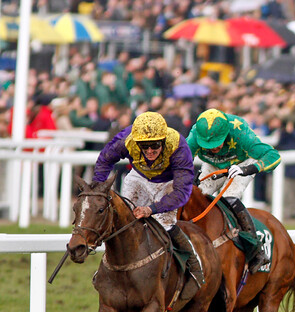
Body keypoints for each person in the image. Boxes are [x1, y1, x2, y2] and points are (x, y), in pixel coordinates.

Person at [92, 111, 204, 294]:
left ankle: (194, 266)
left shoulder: (178, 146)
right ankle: (106, 269)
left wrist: (151, 209)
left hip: (169, 183)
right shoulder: (126, 140)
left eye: (154, 146)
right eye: (144, 146)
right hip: (139, 177)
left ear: (163, 141)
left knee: (165, 223)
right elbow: (105, 160)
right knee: (124, 220)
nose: (150, 151)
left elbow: (182, 193)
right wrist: (98, 187)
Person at [186, 108, 282, 273]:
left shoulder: (239, 132)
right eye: (208, 145)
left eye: (217, 143)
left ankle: (256, 249)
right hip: (212, 165)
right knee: (197, 197)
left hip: (242, 163)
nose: (213, 148)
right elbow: (181, 161)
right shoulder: (195, 135)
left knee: (229, 197)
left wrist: (249, 169)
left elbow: (274, 156)